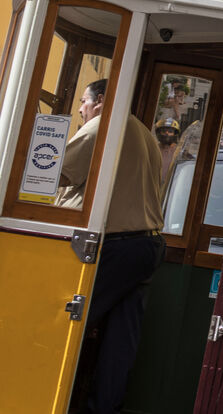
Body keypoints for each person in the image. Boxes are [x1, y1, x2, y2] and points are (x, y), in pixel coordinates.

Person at [59, 79, 164, 414]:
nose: (80, 109)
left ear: (101, 100)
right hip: (146, 246)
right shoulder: (144, 132)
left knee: (65, 321)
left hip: (116, 245)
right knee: (121, 341)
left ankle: (51, 397)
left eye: (83, 101)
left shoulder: (101, 127)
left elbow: (53, 172)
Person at [154, 117, 181, 187]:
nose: (167, 133)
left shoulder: (179, 151)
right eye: (164, 131)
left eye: (170, 131)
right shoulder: (154, 148)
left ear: (175, 134)